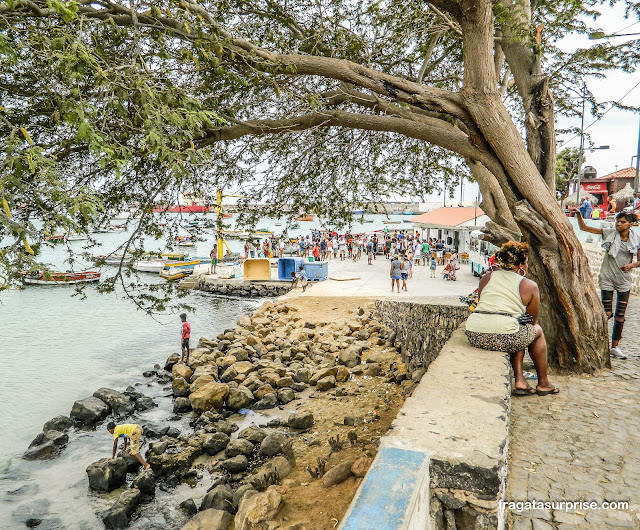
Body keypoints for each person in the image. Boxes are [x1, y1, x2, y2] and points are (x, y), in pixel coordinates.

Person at [465, 241, 558, 396]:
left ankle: (521, 379)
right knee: (534, 330)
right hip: (506, 335)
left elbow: (484, 305)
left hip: (475, 334)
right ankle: (543, 383)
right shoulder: (529, 285)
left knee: (516, 327)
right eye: (526, 262)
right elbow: (531, 321)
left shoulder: (486, 278)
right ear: (521, 265)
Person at [571, 207, 640, 359]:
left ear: (630, 224)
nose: (618, 224)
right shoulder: (609, 233)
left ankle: (614, 347)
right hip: (607, 277)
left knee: (620, 315)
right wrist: (578, 215)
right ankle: (593, 341)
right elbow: (584, 228)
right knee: (606, 313)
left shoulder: (636, 240)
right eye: (618, 221)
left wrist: (631, 265)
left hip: (624, 280)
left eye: (622, 222)